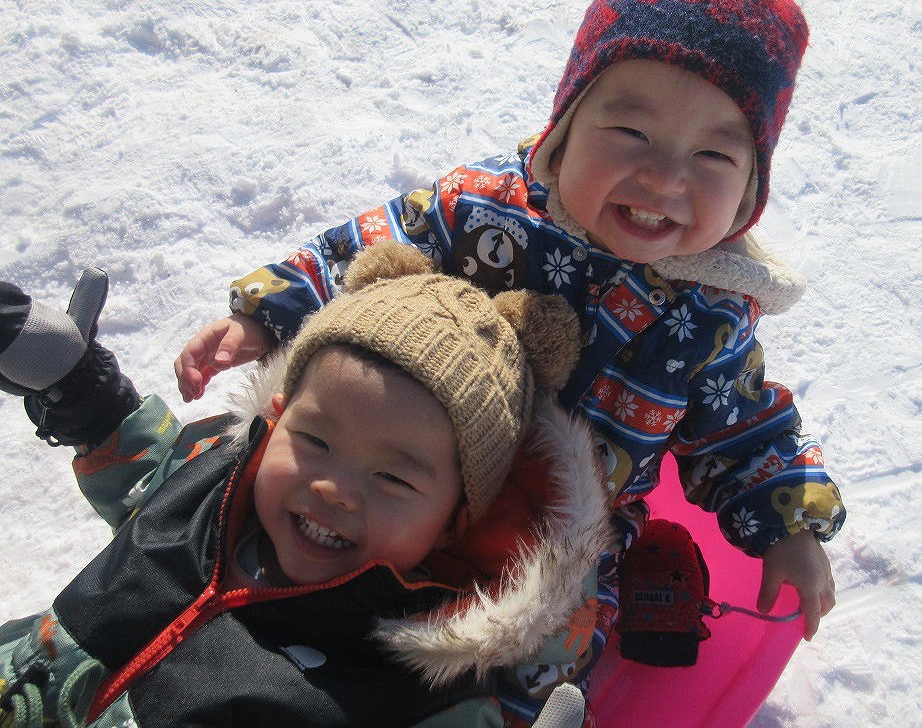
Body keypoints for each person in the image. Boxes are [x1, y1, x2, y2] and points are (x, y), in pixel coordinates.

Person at [174, 0, 847, 721]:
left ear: (751, 188)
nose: (664, 178)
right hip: (397, 456)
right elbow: (369, 248)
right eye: (629, 130)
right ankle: (184, 616)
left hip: (556, 530)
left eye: (712, 155)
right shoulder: (483, 207)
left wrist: (788, 523)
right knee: (239, 484)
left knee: (542, 639)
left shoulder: (710, 312)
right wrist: (267, 312)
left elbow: (745, 422)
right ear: (565, 125)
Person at [0, 243, 611, 728]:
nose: (335, 488)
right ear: (278, 416)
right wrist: (84, 389)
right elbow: (148, 473)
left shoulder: (416, 694)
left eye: (394, 477)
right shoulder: (215, 484)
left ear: (455, 520)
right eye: (314, 441)